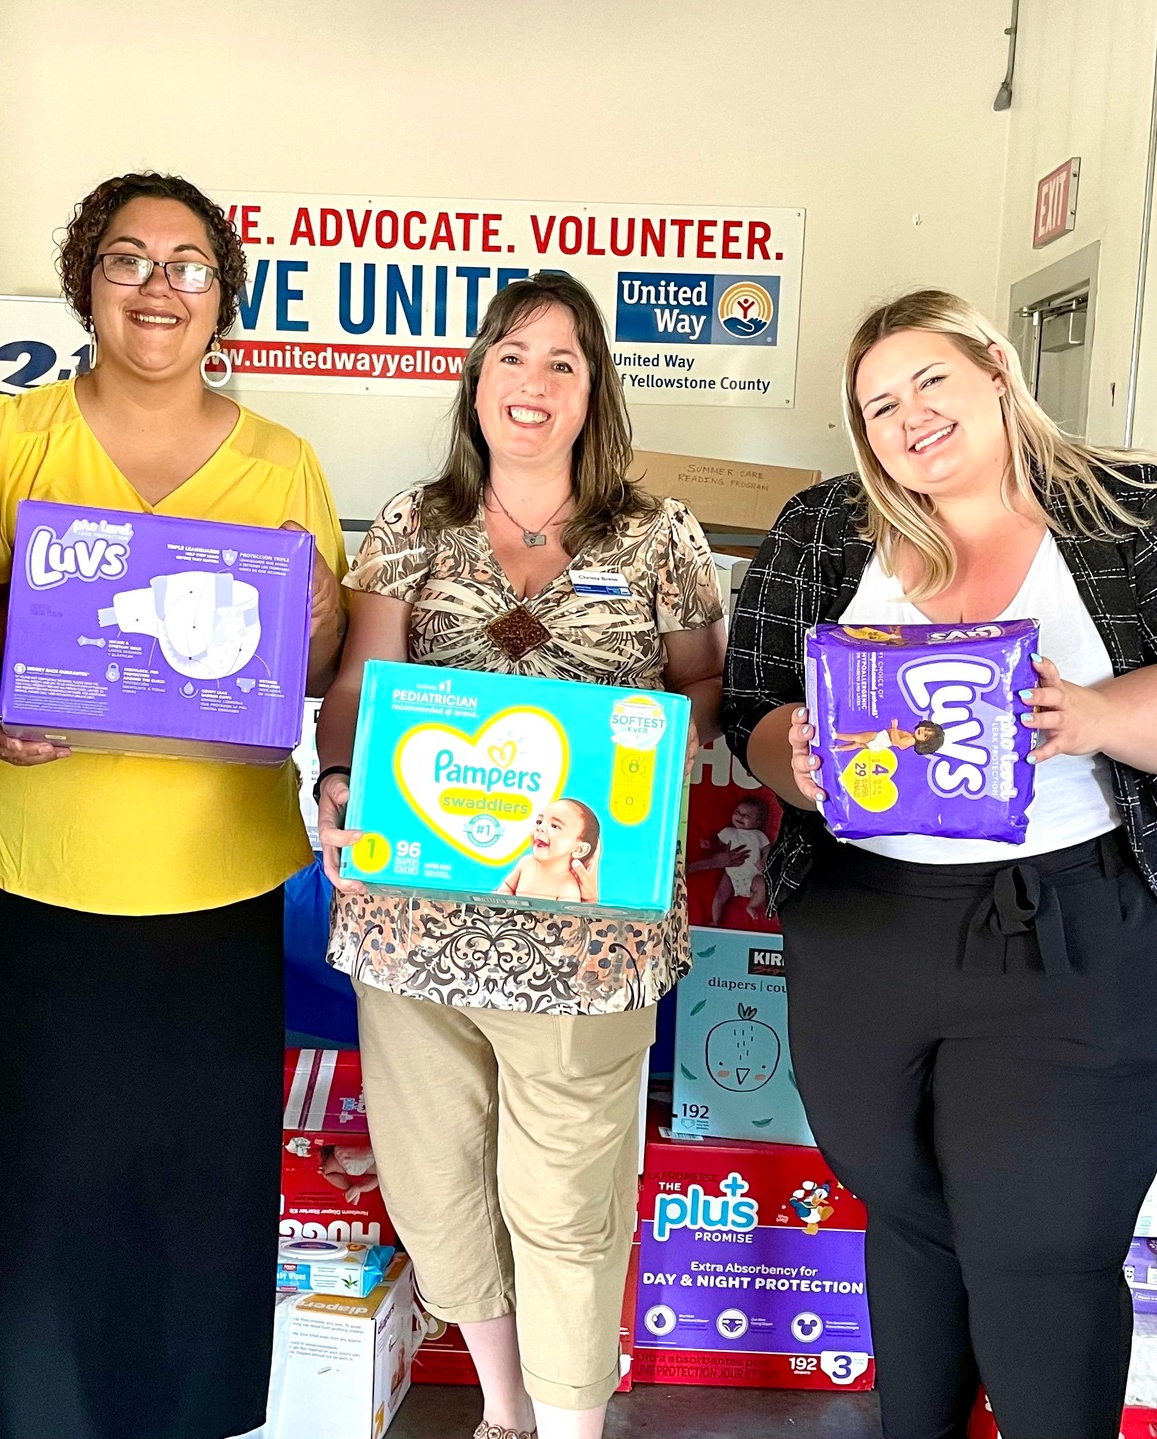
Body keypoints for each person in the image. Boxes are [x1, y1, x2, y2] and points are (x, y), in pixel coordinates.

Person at [722, 289, 1157, 1439]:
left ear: (993, 366)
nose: (908, 418)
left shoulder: (1140, 511)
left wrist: (1089, 714)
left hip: (1080, 925)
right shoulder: (828, 529)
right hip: (865, 922)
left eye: (929, 380)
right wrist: (801, 757)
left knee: (1037, 1243)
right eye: (877, 404)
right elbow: (751, 713)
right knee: (907, 1209)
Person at [0, 170, 347, 1439]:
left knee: (197, 1197)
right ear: (85, 283)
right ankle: (35, 1413)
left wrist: (319, 623)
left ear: (224, 292)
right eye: (126, 259)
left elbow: (327, 660)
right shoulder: (3, 437)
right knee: (38, 1183)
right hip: (34, 877)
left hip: (213, 887)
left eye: (186, 263)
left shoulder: (282, 462)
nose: (157, 285)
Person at [317, 273, 727, 1439]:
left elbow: (702, 683)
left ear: (593, 386)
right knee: (439, 1190)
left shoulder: (659, 535)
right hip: (412, 925)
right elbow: (359, 681)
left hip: (586, 933)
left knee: (563, 1202)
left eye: (560, 359)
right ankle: (504, 1414)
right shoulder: (412, 523)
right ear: (475, 377)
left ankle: (571, 1425)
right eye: (510, 354)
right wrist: (341, 782)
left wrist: (645, 754)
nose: (531, 380)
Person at [497, 799, 602, 901]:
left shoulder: (567, 887)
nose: (540, 828)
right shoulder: (526, 863)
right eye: (539, 822)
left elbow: (566, 918)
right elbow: (508, 887)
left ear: (579, 849)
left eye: (555, 826)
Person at [689, 794, 770, 926]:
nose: (740, 816)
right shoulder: (728, 832)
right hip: (731, 875)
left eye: (746, 816)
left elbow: (767, 849)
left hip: (753, 875)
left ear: (758, 822)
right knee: (720, 894)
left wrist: (764, 860)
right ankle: (716, 920)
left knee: (763, 887)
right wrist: (710, 845)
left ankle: (751, 906)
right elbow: (719, 844)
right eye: (737, 812)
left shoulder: (758, 835)